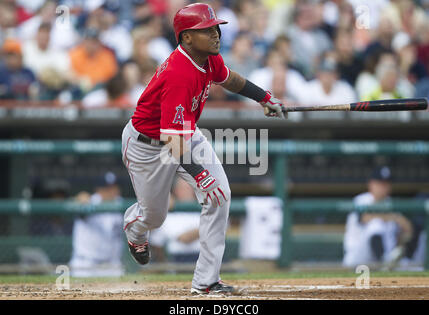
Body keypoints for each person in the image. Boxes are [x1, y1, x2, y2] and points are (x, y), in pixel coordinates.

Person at [121, 2, 286, 295]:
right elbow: (172, 141)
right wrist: (199, 175)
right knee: (155, 217)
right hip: (148, 145)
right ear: (186, 37)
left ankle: (206, 281)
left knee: (219, 195)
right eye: (206, 30)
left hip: (182, 134)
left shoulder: (208, 58)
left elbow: (230, 79)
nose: (215, 34)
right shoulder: (178, 73)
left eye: (215, 28)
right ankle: (135, 229)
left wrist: (263, 97)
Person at [343, 166, 414, 270]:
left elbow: (408, 229)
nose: (384, 187)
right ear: (371, 184)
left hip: (388, 256)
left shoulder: (391, 203)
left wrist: (400, 223)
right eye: (380, 183)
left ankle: (385, 262)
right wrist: (391, 217)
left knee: (415, 270)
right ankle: (384, 261)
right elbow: (364, 218)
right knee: (376, 224)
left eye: (386, 184)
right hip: (359, 257)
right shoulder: (361, 200)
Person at [69, 171, 124, 277]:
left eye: (114, 187)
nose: (112, 191)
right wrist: (78, 200)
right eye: (107, 188)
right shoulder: (89, 202)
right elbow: (77, 204)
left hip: (112, 265)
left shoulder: (121, 204)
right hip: (85, 264)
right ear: (98, 190)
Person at [150, 177, 201, 263]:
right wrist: (207, 228)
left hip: (204, 256)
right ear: (176, 190)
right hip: (178, 259)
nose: (187, 191)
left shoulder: (204, 206)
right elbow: (184, 238)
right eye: (183, 188)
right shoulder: (170, 213)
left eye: (189, 187)